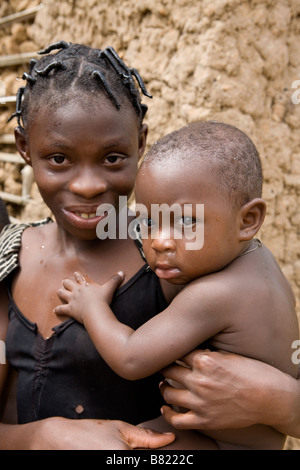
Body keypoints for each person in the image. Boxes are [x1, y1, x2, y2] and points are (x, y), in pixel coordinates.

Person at [0, 41, 217, 450]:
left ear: (141, 143)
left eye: (113, 157)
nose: (88, 185)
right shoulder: (8, 259)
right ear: (25, 148)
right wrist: (44, 437)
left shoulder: (173, 257)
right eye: (59, 159)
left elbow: (235, 430)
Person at [55, 121, 299, 450]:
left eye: (185, 221)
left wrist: (92, 308)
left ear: (248, 220)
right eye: (149, 221)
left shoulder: (216, 294)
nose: (159, 242)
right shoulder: (258, 263)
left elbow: (130, 358)